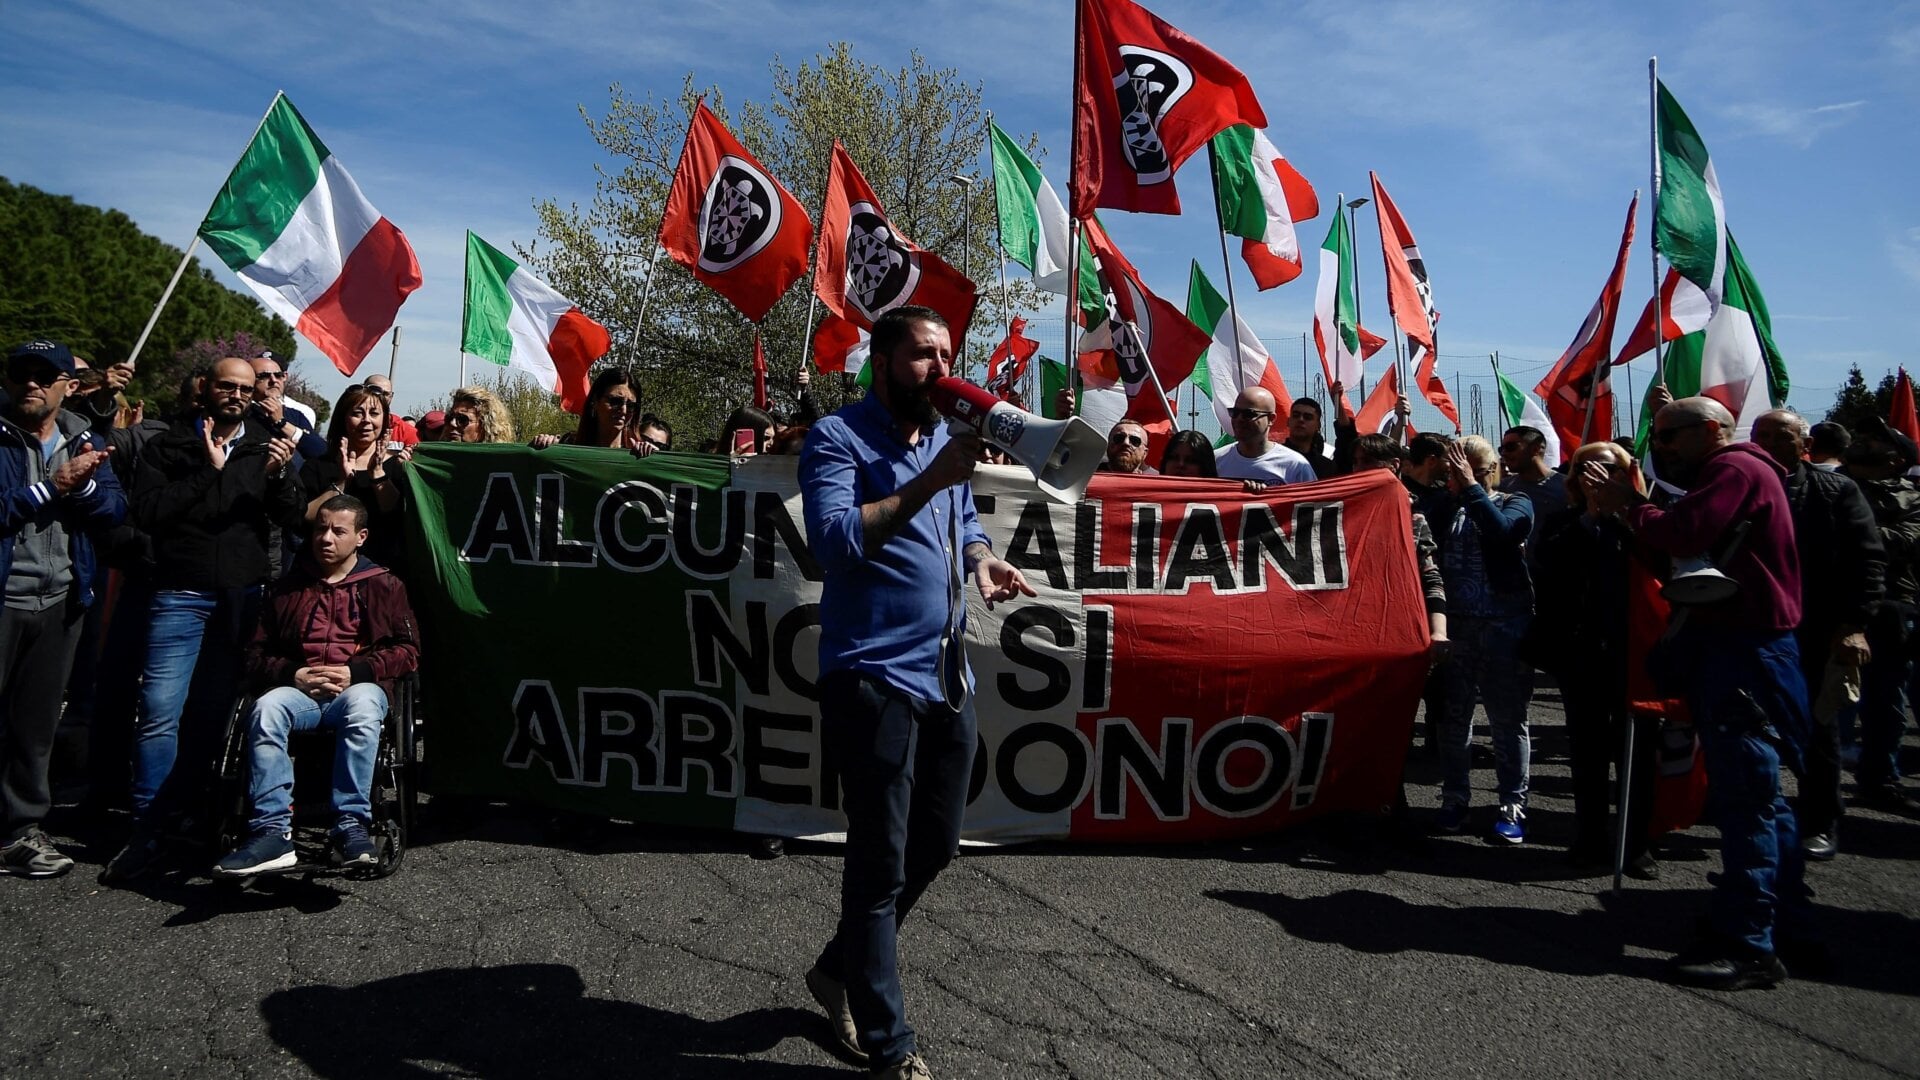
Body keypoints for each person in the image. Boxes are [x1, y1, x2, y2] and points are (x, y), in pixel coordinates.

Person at [798, 305, 1034, 1080]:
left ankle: (838, 969)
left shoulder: (939, 439)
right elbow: (832, 543)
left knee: (935, 841)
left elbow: (963, 521)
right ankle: (889, 1043)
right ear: (883, 361)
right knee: (879, 862)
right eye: (925, 355)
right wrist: (931, 479)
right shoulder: (838, 438)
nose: (942, 369)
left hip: (943, 674)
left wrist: (982, 558)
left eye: (948, 354)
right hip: (871, 675)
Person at [1587, 395, 1812, 991]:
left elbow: (1685, 533)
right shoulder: (1743, 471)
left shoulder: (1733, 468)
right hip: (1749, 647)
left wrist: (1631, 506)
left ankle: (1750, 943)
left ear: (1711, 430)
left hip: (1744, 650)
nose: (1660, 448)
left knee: (1747, 799)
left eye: (1669, 435)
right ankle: (1783, 918)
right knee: (1763, 799)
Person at [102, 357, 304, 884]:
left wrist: (281, 477)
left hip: (240, 596)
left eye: (246, 388)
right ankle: (148, 828)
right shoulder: (169, 444)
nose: (237, 395)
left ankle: (193, 812)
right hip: (179, 592)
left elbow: (292, 517)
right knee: (158, 710)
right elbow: (147, 511)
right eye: (227, 386)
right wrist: (207, 473)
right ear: (205, 388)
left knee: (212, 713)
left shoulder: (264, 445)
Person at [213, 494, 419, 876]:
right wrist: (293, 673)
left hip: (356, 687)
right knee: (266, 710)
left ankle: (350, 825)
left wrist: (357, 672)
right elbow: (255, 653)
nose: (325, 538)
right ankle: (271, 832)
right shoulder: (288, 587)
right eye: (321, 529)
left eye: (338, 531)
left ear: (360, 537)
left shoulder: (384, 585)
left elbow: (408, 651)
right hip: (301, 689)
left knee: (364, 707)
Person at [0, 341, 126, 877]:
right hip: (6, 595)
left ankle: (18, 831)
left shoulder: (84, 437)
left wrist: (85, 487)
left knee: (34, 727)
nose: (31, 383)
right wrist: (50, 488)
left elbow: (114, 507)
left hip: (60, 600)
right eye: (21, 373)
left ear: (68, 387)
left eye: (44, 375)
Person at [1751, 409, 1881, 858]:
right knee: (1744, 726)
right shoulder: (1735, 484)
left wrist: (1854, 626)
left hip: (1812, 628)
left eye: (1780, 436)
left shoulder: (1835, 490)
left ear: (1805, 445)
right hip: (1749, 627)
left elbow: (1866, 561)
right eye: (1761, 435)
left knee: (1815, 729)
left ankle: (1819, 820)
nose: (1768, 444)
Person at [1530, 441, 1659, 877]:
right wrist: (1590, 517)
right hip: (1581, 651)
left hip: (1635, 651)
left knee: (1636, 752)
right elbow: (1547, 564)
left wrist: (1622, 513)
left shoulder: (1646, 519)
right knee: (1587, 751)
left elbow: (1662, 561)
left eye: (1607, 468)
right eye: (1585, 468)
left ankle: (1636, 844)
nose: (1596, 475)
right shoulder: (1563, 520)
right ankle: (1589, 838)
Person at [1431, 435, 1535, 842]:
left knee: (1507, 720)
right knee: (1454, 720)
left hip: (1504, 626)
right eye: (1452, 472)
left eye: (1467, 471)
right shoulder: (1445, 507)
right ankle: (1455, 797)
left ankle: (1512, 803)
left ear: (1488, 470)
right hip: (1456, 628)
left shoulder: (1515, 501)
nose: (1455, 479)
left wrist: (1472, 488)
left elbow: (1502, 532)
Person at [1839, 419, 1920, 813]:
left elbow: (1904, 542)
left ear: (1897, 459)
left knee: (1886, 699)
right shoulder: (1827, 484)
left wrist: (1849, 526)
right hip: (1829, 602)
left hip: (1889, 606)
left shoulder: (1912, 498)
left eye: (1876, 441)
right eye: (1864, 436)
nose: (1864, 441)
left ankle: (1879, 778)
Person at [299, 384, 411, 571]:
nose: (366, 421)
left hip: (381, 570)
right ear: (343, 418)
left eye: (374, 413)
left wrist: (377, 474)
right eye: (357, 413)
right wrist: (341, 482)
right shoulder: (318, 465)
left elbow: (397, 515)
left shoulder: (399, 466)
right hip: (322, 570)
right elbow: (304, 516)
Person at [1216, 388, 1315, 486]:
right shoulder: (1216, 460)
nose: (1239, 419)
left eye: (1249, 414)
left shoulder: (1295, 465)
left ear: (1271, 419)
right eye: (1235, 413)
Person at [530, 368, 645, 451]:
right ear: (595, 401)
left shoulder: (638, 455)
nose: (623, 410)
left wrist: (651, 454)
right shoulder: (566, 446)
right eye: (615, 401)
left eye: (631, 405)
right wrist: (544, 444)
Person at [1498, 425, 1568, 535]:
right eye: (1501, 449)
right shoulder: (1503, 488)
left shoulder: (1567, 487)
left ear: (1535, 449)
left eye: (1510, 447)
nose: (1504, 453)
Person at [1281, 396, 1337, 479]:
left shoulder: (1326, 467)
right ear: (1288, 421)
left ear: (1318, 426)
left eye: (1307, 417)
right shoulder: (1272, 457)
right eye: (1296, 415)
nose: (1301, 420)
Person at [442, 386, 514, 444]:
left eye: (462, 420)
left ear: (485, 425)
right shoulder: (439, 456)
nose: (452, 423)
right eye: (449, 418)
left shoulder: (502, 457)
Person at [362, 375, 419, 446]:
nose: (381, 397)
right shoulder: (352, 425)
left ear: (391, 396)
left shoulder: (407, 432)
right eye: (376, 391)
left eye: (385, 394)